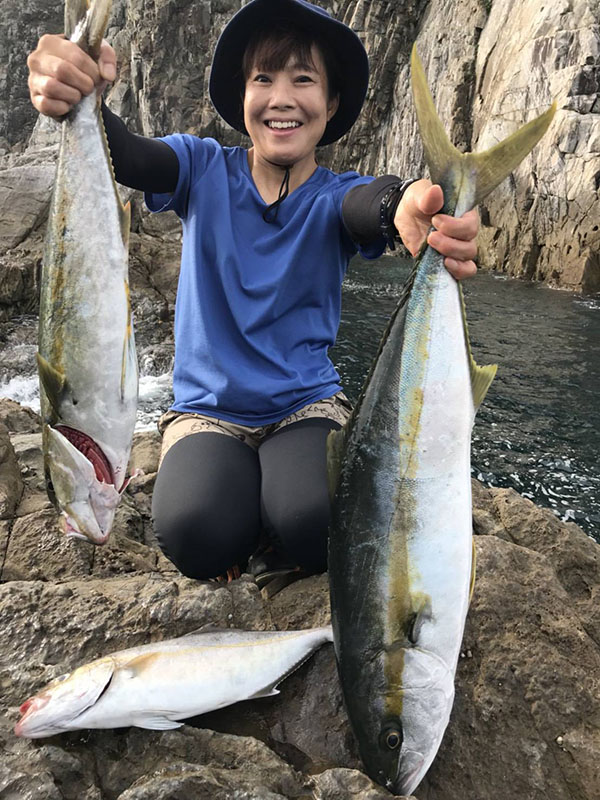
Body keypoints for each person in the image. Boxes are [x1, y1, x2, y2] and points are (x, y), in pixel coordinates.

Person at [27, 0, 478, 590]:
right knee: (194, 530)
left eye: (304, 79)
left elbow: (370, 206)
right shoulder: (200, 167)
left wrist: (408, 204)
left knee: (316, 520)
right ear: (243, 97)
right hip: (207, 412)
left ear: (332, 104)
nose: (281, 98)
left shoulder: (334, 195)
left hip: (304, 406)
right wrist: (79, 94)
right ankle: (249, 519)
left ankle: (274, 519)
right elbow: (131, 156)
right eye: (263, 78)